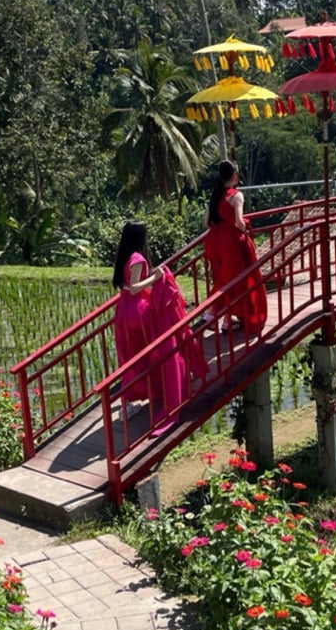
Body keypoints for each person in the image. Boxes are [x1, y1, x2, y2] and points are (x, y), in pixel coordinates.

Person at [112, 220, 205, 429]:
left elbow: (125, 286)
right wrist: (155, 278)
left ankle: (136, 397)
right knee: (155, 351)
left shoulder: (123, 256)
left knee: (131, 354)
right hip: (138, 310)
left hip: (123, 310)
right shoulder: (137, 258)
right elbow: (135, 287)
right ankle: (163, 389)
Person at [203, 161, 268, 334]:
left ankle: (226, 320)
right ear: (234, 175)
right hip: (230, 243)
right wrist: (246, 227)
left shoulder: (215, 195)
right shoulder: (236, 196)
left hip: (215, 241)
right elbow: (239, 222)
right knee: (232, 281)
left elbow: (207, 222)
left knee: (223, 279)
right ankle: (210, 314)